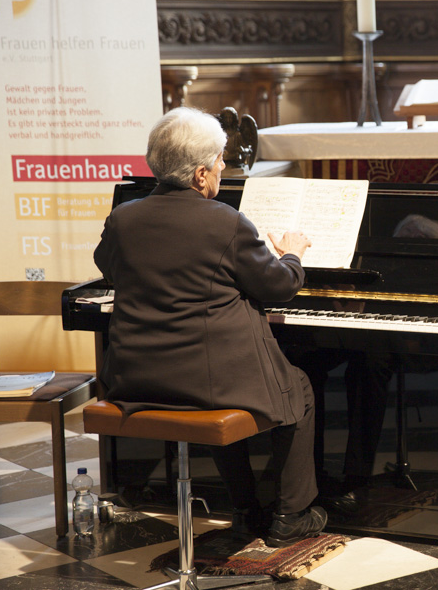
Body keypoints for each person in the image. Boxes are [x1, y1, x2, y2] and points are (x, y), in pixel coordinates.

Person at [93, 106, 327, 547]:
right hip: (208, 380)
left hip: (136, 379)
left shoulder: (123, 218)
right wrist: (292, 253)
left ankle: (244, 508)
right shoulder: (225, 221)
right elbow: (279, 286)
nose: (224, 167)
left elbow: (106, 265)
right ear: (201, 175)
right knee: (298, 388)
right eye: (220, 160)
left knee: (219, 387)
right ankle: (291, 514)